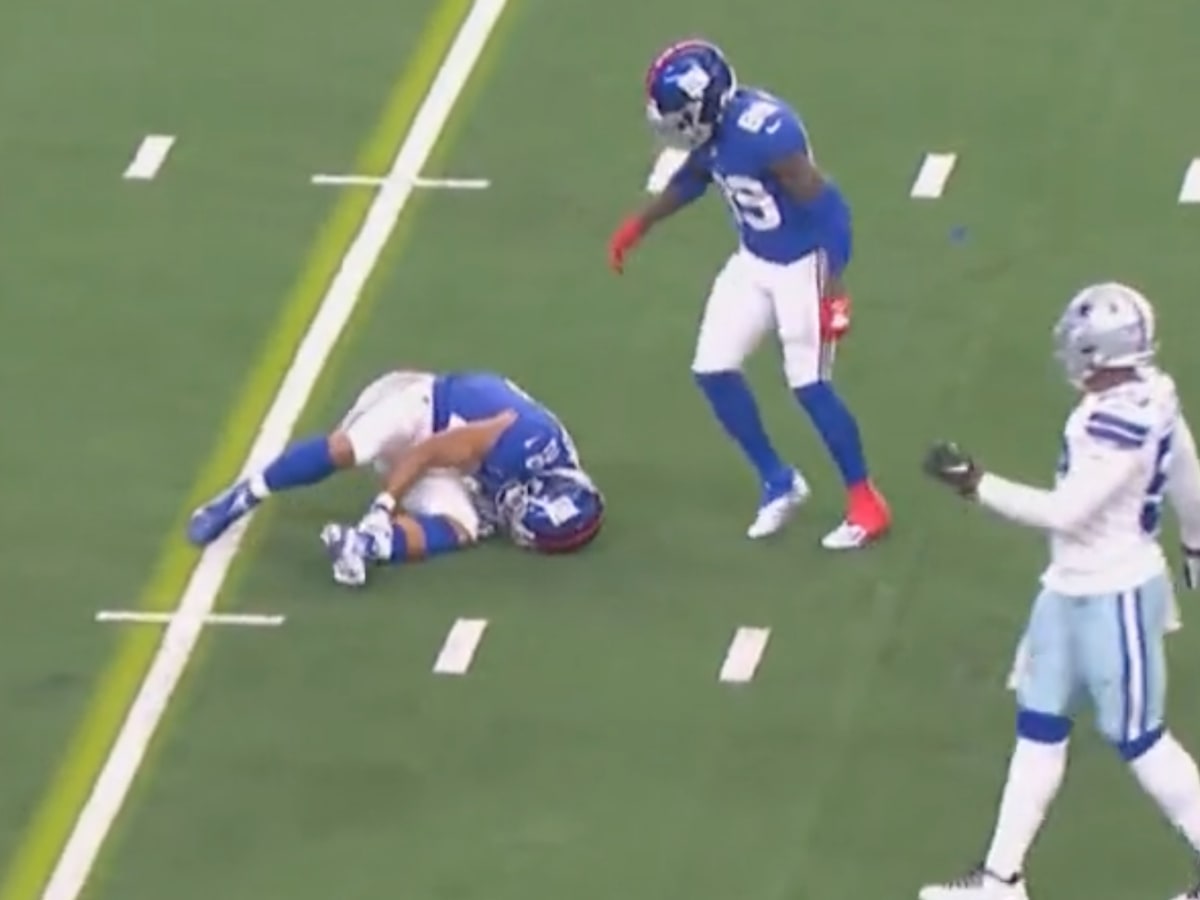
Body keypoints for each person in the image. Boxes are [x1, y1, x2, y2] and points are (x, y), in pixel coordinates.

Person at [920, 282, 1200, 900]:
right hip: (1068, 586)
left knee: (1141, 739)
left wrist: (975, 483)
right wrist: (1196, 544)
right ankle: (1001, 880)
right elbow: (1186, 466)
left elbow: (1065, 512)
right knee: (1039, 724)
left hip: (1116, 591)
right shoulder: (1153, 393)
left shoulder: (1116, 423)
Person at [608, 39, 889, 549]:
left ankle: (866, 501)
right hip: (754, 259)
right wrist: (639, 224)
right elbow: (695, 177)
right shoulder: (716, 131)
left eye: (680, 117)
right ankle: (779, 480)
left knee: (809, 384)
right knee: (712, 368)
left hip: (803, 265)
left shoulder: (768, 136)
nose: (675, 127)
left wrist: (834, 286)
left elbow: (829, 209)